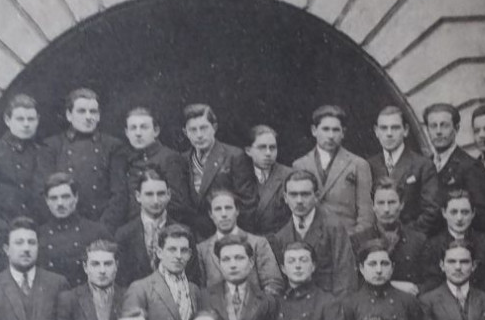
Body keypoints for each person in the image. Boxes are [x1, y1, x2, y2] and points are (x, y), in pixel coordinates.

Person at [123, 223, 209, 320]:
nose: (178, 256)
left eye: (184, 251)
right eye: (172, 250)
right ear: (159, 252)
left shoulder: (194, 290)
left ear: (189, 254)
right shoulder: (141, 288)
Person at [267, 169, 359, 295]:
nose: (299, 201)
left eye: (305, 194)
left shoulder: (333, 227)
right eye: (293, 195)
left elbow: (345, 275)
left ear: (316, 196)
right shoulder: (281, 235)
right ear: (285, 198)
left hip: (329, 305)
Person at [292, 104, 373, 235]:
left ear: (343, 133)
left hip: (348, 239)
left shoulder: (358, 165)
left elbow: (366, 215)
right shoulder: (300, 165)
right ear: (314, 130)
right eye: (325, 129)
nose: (330, 135)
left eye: (336, 130)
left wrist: (352, 239)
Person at [182, 103, 259, 238]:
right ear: (185, 132)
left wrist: (239, 238)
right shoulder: (183, 159)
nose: (199, 135)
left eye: (204, 128)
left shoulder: (233, 156)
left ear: (214, 128)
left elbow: (247, 203)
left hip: (228, 234)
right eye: (193, 130)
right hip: (196, 236)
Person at [117, 106, 195, 229]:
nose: (138, 133)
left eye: (144, 127)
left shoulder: (169, 159)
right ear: (127, 133)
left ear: (156, 131)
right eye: (133, 128)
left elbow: (178, 204)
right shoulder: (125, 159)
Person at [207, 236, 280, 320]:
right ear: (219, 264)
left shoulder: (267, 301)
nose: (233, 265)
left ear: (251, 262)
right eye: (226, 259)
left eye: (239, 258)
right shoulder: (205, 297)